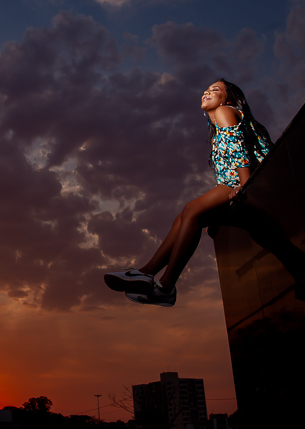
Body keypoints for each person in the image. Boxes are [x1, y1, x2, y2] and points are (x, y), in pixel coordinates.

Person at [104, 79, 273, 306]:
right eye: (206, 89)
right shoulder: (217, 128)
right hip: (235, 183)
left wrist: (246, 185)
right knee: (185, 217)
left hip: (254, 182)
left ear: (228, 99)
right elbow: (229, 167)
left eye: (216, 90)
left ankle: (162, 284)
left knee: (191, 209)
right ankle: (148, 275)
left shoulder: (225, 111)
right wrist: (217, 216)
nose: (207, 92)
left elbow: (240, 153)